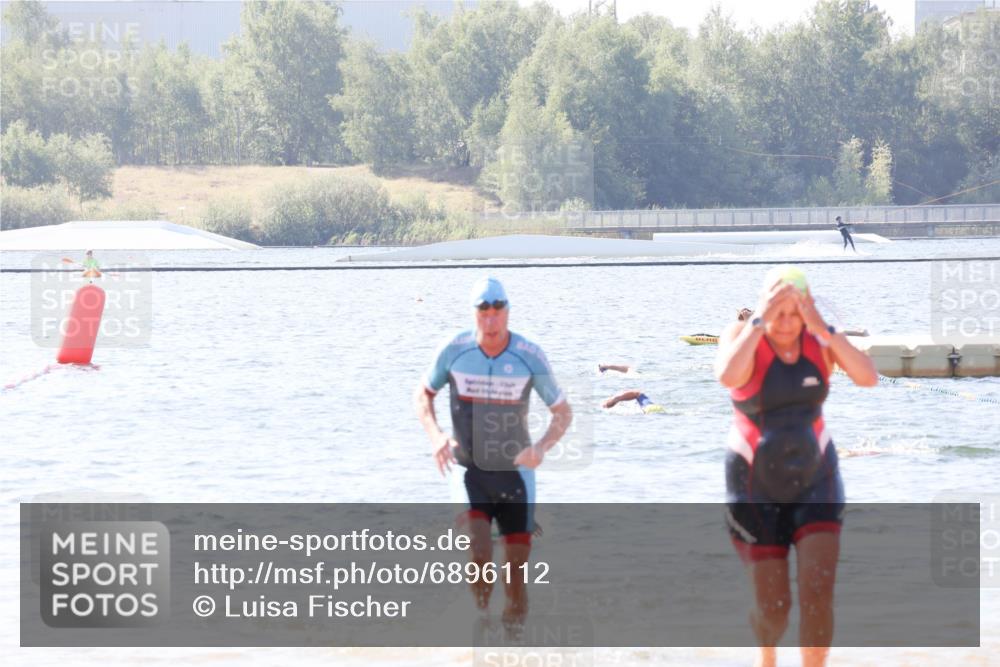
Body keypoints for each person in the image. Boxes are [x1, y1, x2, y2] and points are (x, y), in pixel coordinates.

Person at [714, 265, 877, 667]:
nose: (785, 324)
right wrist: (758, 323)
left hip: (816, 478)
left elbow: (867, 376)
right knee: (775, 611)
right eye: (777, 313)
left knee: (818, 592)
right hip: (754, 482)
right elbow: (727, 376)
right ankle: (766, 656)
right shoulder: (741, 336)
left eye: (794, 313)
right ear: (764, 307)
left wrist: (822, 327)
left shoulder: (818, 342)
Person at [414, 276, 573, 630]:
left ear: (507, 312)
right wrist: (436, 435)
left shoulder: (528, 355)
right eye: (483, 310)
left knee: (515, 575)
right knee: (480, 553)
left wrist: (541, 448)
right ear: (474, 314)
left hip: (516, 475)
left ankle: (512, 644)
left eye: (497, 310)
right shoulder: (454, 350)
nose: (490, 318)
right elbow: (423, 394)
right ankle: (480, 627)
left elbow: (563, 413)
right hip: (468, 472)